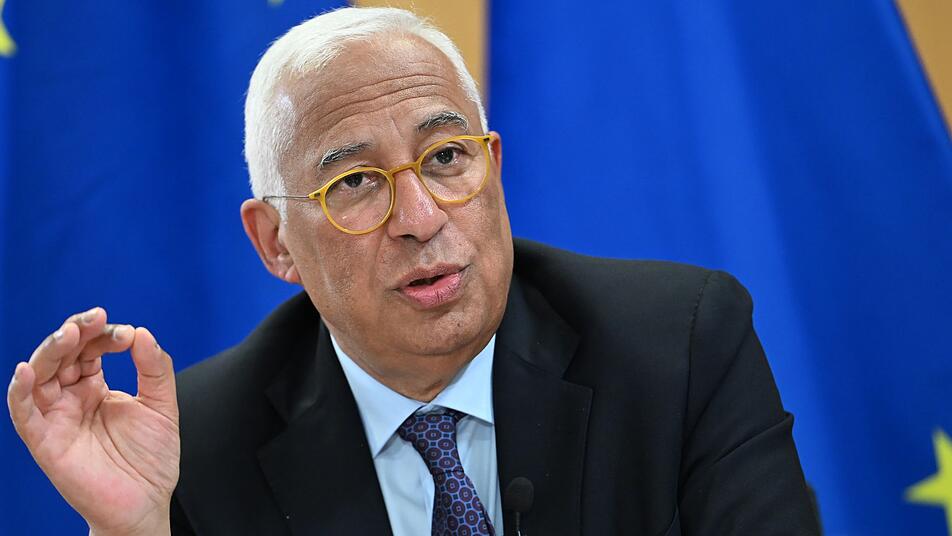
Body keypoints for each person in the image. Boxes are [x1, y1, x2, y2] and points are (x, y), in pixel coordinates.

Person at [6, 7, 821, 536]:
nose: (421, 218)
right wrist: (133, 532)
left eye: (446, 157)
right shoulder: (194, 446)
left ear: (493, 167)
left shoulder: (678, 347)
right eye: (356, 182)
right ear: (275, 242)